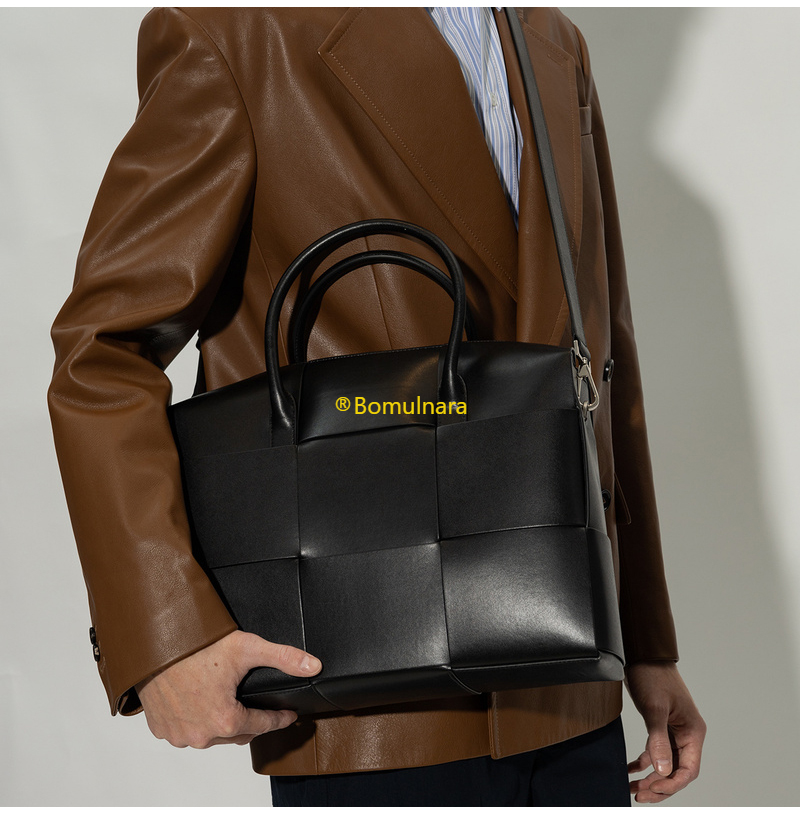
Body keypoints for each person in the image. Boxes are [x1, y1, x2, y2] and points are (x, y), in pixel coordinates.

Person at [48, 7, 705, 806]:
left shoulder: (552, 42)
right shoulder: (236, 33)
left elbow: (600, 356)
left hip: (571, 687)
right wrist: (167, 635)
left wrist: (645, 640)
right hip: (371, 702)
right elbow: (102, 352)